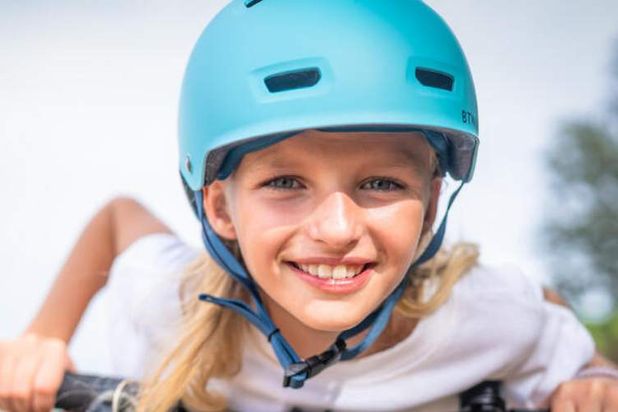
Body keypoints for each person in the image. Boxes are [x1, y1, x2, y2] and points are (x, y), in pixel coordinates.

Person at [1, 1, 618, 411]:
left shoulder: (482, 316)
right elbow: (119, 216)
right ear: (219, 209)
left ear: (431, 205)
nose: (338, 228)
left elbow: (538, 306)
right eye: (286, 182)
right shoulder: (173, 301)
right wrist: (43, 338)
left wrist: (593, 373)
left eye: (382, 184)